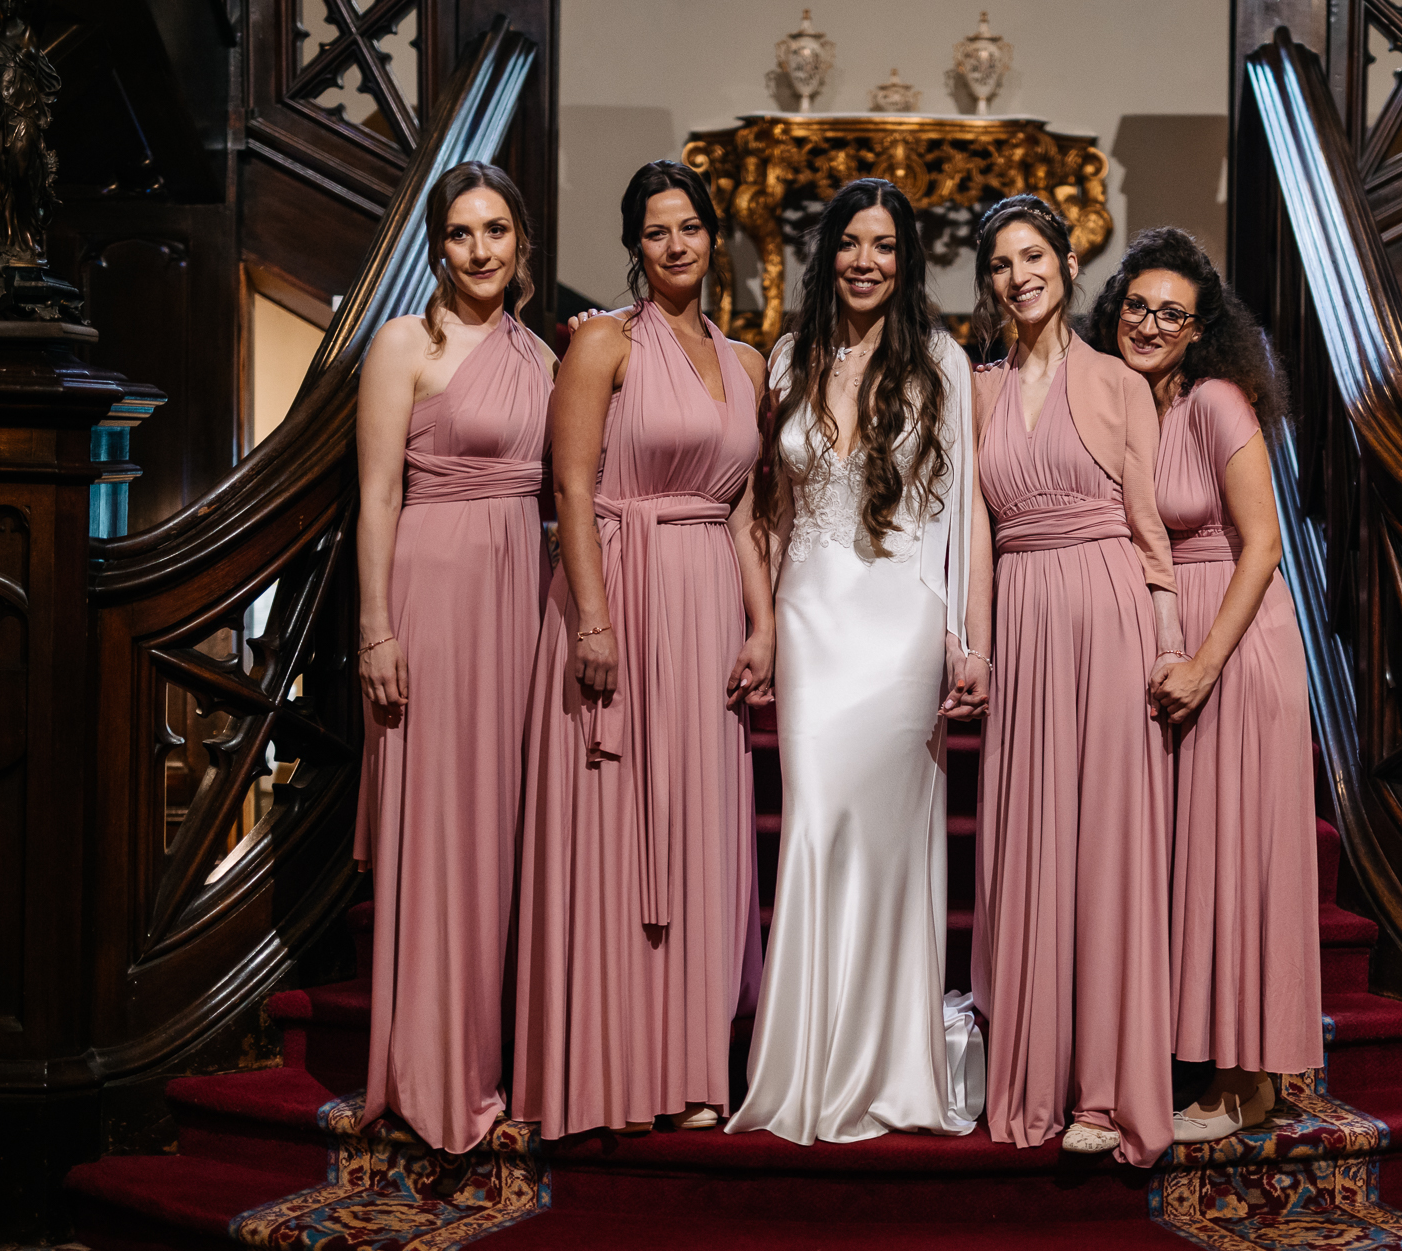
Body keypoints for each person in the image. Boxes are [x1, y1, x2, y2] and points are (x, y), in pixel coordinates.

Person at [727, 178, 991, 1145]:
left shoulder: (944, 364)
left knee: (886, 847)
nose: (865, 260)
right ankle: (801, 1068)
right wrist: (761, 619)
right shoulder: (787, 360)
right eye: (849, 242)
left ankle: (885, 1064)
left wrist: (970, 638)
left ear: (907, 260)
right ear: (826, 253)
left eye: (884, 245)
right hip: (810, 624)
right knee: (813, 827)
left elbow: (968, 516)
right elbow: (760, 507)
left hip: (902, 627)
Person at [512, 160, 772, 1139]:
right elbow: (571, 489)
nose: (677, 244)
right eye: (657, 230)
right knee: (618, 836)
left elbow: (748, 510)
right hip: (622, 591)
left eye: (693, 227)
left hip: (708, 604)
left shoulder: (748, 363)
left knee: (700, 835)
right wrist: (592, 616)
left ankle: (696, 1062)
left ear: (716, 238)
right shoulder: (604, 347)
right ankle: (610, 1067)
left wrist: (764, 624)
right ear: (636, 245)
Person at [1086, 226, 1321, 1143]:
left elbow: (1264, 542)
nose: (1148, 323)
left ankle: (1239, 1083)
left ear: (1197, 331)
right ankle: (1223, 1066)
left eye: (1169, 314)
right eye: (1136, 306)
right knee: (1196, 862)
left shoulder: (1217, 399)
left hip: (1235, 640)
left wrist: (1206, 663)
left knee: (1234, 861)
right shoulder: (1123, 404)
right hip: (1173, 642)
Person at [968, 194, 1181, 1166]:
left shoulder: (1120, 384)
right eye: (1003, 262)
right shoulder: (976, 390)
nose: (1021, 274)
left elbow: (1151, 538)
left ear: (1065, 261)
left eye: (1034, 255)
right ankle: (1033, 1077)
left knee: (1104, 849)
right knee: (1029, 844)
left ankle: (1102, 1087)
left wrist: (1170, 645)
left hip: (1106, 616)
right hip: (1024, 617)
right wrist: (973, 641)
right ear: (990, 282)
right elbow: (972, 536)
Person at [353, 160, 557, 1154]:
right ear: (440, 245)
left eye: (497, 231)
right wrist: (376, 628)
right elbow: (377, 496)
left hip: (521, 596)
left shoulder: (546, 357)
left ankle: (494, 1052)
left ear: (521, 243)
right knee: (439, 833)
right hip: (432, 594)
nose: (481, 250)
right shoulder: (404, 344)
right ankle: (433, 1072)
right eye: (463, 233)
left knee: (504, 830)